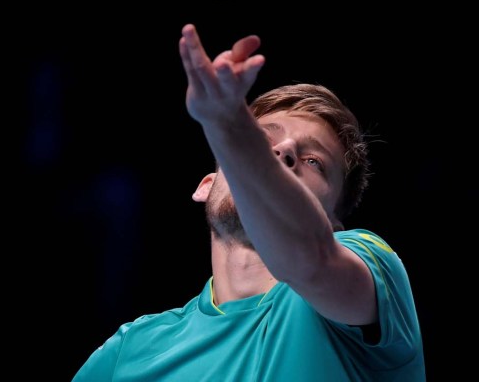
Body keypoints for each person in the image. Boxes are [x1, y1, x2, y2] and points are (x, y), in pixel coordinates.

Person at [72, 23, 426, 381]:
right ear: (206, 185)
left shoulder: (374, 271)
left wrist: (230, 126)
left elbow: (310, 258)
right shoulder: (132, 351)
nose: (284, 151)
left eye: (314, 162)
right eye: (263, 139)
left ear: (332, 225)